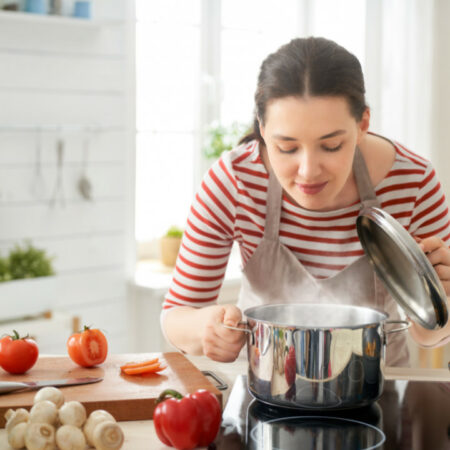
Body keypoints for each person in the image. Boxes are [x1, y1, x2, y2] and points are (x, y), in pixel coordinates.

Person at [161, 37, 450, 366]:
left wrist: (443, 300)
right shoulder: (233, 183)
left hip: (380, 393)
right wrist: (204, 330)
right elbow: (176, 315)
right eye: (286, 147)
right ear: (262, 127)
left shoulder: (412, 182)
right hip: (265, 386)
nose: (308, 171)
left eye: (331, 146)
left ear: (362, 125)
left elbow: (430, 335)